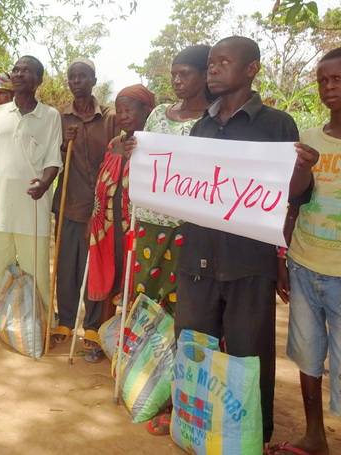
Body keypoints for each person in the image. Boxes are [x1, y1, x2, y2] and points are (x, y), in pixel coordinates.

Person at [157, 36, 316, 444]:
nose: (212, 68)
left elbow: (295, 193)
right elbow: (183, 185)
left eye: (222, 62)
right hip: (197, 257)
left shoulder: (277, 125)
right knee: (193, 344)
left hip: (248, 260)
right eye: (210, 62)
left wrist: (302, 168)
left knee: (249, 352)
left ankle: (251, 437)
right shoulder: (202, 126)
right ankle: (196, 427)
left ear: (251, 69)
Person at [268, 46, 341, 455]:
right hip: (305, 264)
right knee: (307, 355)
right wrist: (282, 255)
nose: (328, 86)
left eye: (338, 78)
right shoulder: (310, 140)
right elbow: (294, 199)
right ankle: (315, 435)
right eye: (322, 80)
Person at [134, 44, 212, 437]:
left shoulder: (214, 120)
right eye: (174, 74)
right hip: (150, 224)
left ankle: (178, 397)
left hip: (190, 229)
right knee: (148, 306)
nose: (178, 81)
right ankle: (144, 383)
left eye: (186, 74)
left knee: (185, 313)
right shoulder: (156, 114)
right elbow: (143, 159)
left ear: (205, 75)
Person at [0, 56, 63, 341]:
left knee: (36, 269)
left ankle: (40, 323)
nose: (18, 74)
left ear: (38, 80)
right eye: (15, 69)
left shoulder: (50, 116)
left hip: (33, 208)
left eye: (25, 71)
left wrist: (45, 182)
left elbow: (54, 160)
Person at [50, 58, 118, 352]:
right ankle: (65, 322)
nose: (76, 81)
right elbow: (50, 159)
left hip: (102, 207)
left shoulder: (110, 118)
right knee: (67, 266)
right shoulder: (60, 118)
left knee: (95, 267)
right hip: (69, 202)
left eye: (82, 77)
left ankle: (92, 328)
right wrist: (63, 145)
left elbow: (117, 156)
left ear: (93, 80)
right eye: (72, 77)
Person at [86, 84, 155, 357]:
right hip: (107, 225)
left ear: (147, 111)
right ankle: (102, 338)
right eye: (120, 110)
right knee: (107, 277)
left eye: (130, 110)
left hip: (136, 228)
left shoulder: (153, 144)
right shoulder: (114, 143)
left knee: (132, 282)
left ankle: (131, 347)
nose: (123, 115)